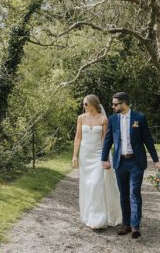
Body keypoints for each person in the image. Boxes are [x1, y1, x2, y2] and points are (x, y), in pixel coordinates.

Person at [101, 92, 160, 239]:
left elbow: (148, 140)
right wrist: (104, 159)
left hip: (136, 162)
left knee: (134, 192)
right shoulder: (113, 119)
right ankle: (126, 224)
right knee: (124, 195)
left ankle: (135, 226)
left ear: (124, 104)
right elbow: (108, 140)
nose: (113, 106)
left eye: (116, 104)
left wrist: (156, 160)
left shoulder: (139, 118)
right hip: (120, 162)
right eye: (113, 104)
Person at [72, 94, 122, 229]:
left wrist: (105, 158)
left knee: (96, 184)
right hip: (85, 156)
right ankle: (90, 214)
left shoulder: (103, 119)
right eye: (83, 104)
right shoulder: (81, 118)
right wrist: (74, 156)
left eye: (85, 104)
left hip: (98, 155)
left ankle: (98, 219)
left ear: (94, 104)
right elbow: (78, 137)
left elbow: (105, 140)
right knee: (88, 186)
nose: (83, 106)